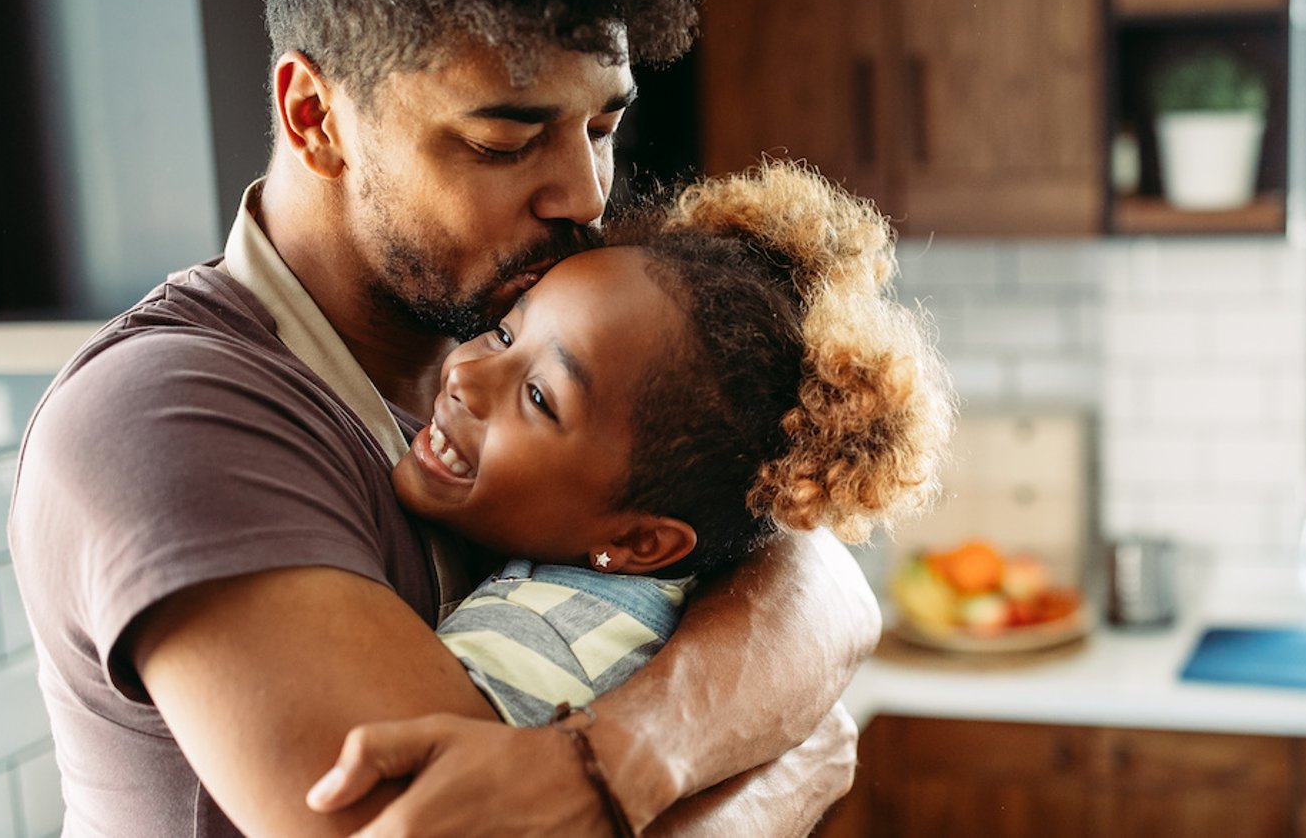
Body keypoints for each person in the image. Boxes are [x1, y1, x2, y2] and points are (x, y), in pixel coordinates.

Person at [7, 0, 884, 835]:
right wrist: (780, 782)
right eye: (504, 142)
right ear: (315, 117)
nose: (583, 195)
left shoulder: (505, 337)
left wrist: (627, 755)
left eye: (603, 129)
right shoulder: (170, 414)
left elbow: (810, 570)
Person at [395, 162, 952, 729]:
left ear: (638, 540)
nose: (465, 377)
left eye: (540, 398)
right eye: (506, 333)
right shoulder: (645, 599)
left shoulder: (525, 650)